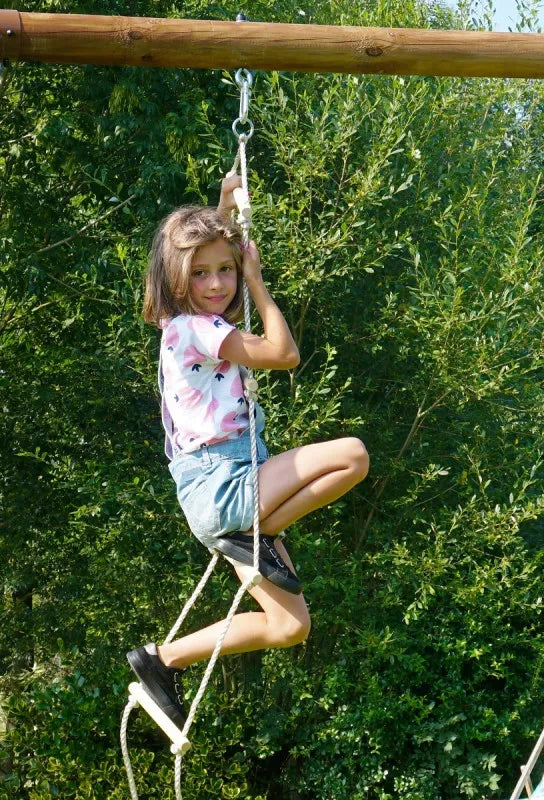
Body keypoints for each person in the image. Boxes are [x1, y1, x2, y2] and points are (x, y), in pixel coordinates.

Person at [126, 174, 370, 730]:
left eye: (227, 270)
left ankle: (160, 660)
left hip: (222, 493)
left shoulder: (180, 325)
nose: (217, 283)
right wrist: (257, 285)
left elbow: (209, 249)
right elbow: (283, 353)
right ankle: (248, 535)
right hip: (223, 483)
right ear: (177, 279)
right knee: (352, 454)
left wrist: (224, 210)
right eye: (201, 273)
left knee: (290, 627)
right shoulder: (194, 327)